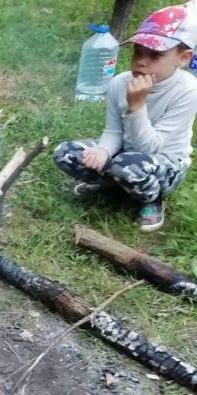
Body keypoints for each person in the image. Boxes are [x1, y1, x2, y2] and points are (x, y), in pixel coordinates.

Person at [53, 4, 197, 232]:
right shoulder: (119, 83)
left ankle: (152, 198)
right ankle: (113, 184)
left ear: (183, 58)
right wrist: (102, 151)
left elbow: (152, 148)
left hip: (164, 164)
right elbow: (114, 132)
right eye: (138, 51)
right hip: (125, 155)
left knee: (127, 165)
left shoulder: (188, 90)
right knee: (66, 153)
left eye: (155, 55)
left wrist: (137, 105)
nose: (141, 61)